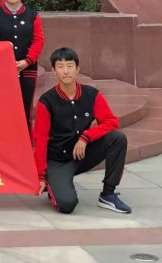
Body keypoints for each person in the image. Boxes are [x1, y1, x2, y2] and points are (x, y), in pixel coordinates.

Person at [34, 47, 131, 215]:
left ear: (77, 69)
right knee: (67, 205)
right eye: (60, 66)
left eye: (70, 66)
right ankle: (53, 183)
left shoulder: (91, 95)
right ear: (54, 71)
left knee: (117, 138)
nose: (66, 71)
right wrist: (40, 176)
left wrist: (86, 137)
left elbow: (111, 122)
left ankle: (108, 194)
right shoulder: (46, 101)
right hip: (58, 160)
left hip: (81, 154)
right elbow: (40, 140)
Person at [0, 0, 44, 130]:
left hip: (27, 69)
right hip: (2, 69)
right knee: (3, 107)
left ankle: (26, 140)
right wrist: (4, 57)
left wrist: (27, 61)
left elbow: (38, 40)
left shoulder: (32, 15)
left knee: (25, 107)